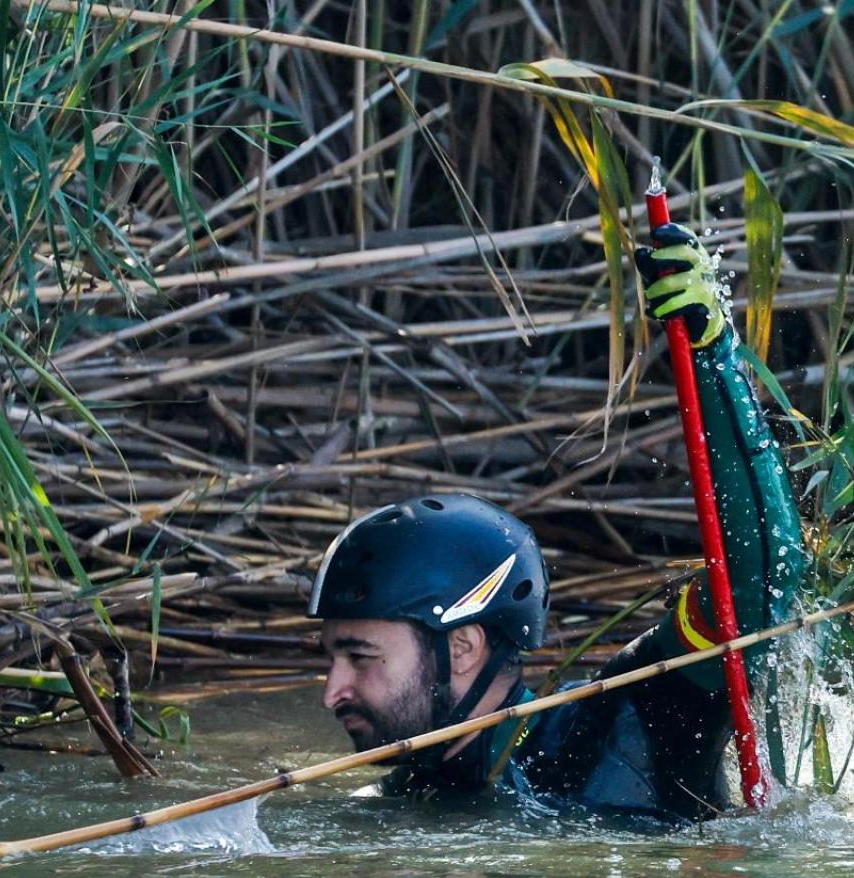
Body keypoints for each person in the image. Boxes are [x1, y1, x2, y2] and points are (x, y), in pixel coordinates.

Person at [306, 222, 807, 822]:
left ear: (462, 647)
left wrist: (712, 356)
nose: (332, 691)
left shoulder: (632, 712)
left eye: (360, 658)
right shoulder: (398, 799)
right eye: (334, 658)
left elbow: (762, 578)